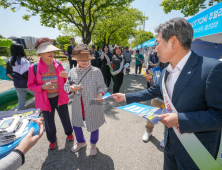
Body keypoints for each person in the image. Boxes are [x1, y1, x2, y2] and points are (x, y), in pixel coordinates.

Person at [113, 18, 222, 170]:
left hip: (197, 152)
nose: (155, 49)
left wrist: (180, 119)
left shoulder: (211, 69)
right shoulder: (165, 71)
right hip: (170, 145)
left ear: (173, 42)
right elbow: (153, 91)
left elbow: (218, 115)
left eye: (157, 43)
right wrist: (125, 96)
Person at [28, 37, 74, 150]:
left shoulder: (58, 63)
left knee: (65, 117)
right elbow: (30, 85)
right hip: (45, 99)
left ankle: (69, 133)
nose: (51, 53)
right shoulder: (33, 67)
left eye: (52, 50)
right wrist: (42, 87)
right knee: (48, 121)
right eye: (47, 51)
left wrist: (67, 77)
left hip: (60, 96)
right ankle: (52, 139)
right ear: (41, 53)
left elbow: (65, 80)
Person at [64, 44, 107, 156]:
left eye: (86, 59)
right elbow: (66, 85)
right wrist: (71, 88)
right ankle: (81, 141)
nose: (84, 61)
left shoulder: (96, 71)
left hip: (92, 103)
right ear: (76, 59)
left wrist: (100, 94)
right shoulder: (72, 71)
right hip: (78, 104)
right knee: (76, 124)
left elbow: (103, 86)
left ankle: (93, 144)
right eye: (80, 59)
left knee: (94, 124)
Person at [143, 62, 169, 147]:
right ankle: (148, 131)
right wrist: (150, 79)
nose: (157, 51)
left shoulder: (176, 61)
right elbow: (155, 74)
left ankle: (166, 136)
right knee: (152, 114)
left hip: (170, 98)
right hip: (157, 95)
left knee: (167, 118)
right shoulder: (161, 60)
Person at [6, 44, 34, 110]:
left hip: (17, 85)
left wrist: (15, 79)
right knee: (39, 96)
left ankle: (19, 116)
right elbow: (31, 73)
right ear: (21, 50)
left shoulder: (10, 61)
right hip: (29, 84)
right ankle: (41, 111)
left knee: (21, 102)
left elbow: (8, 74)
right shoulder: (26, 61)